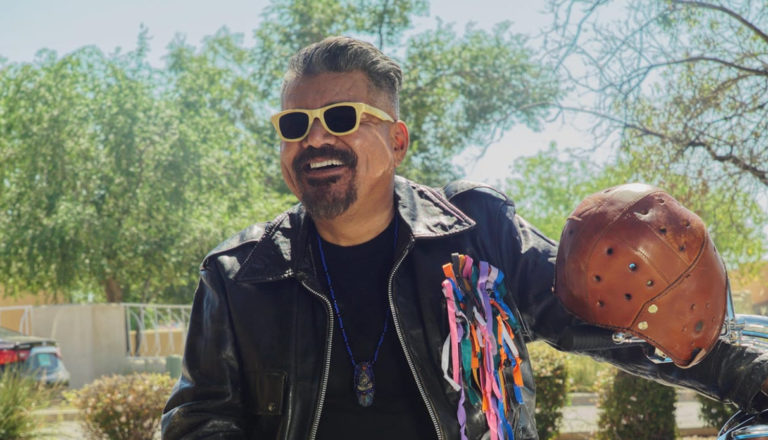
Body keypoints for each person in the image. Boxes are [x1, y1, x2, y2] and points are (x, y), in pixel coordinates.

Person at [161, 36, 768, 440]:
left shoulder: (481, 234)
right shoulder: (239, 274)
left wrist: (750, 375)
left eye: (342, 118)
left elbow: (618, 315)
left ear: (397, 140)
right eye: (296, 125)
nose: (315, 140)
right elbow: (198, 415)